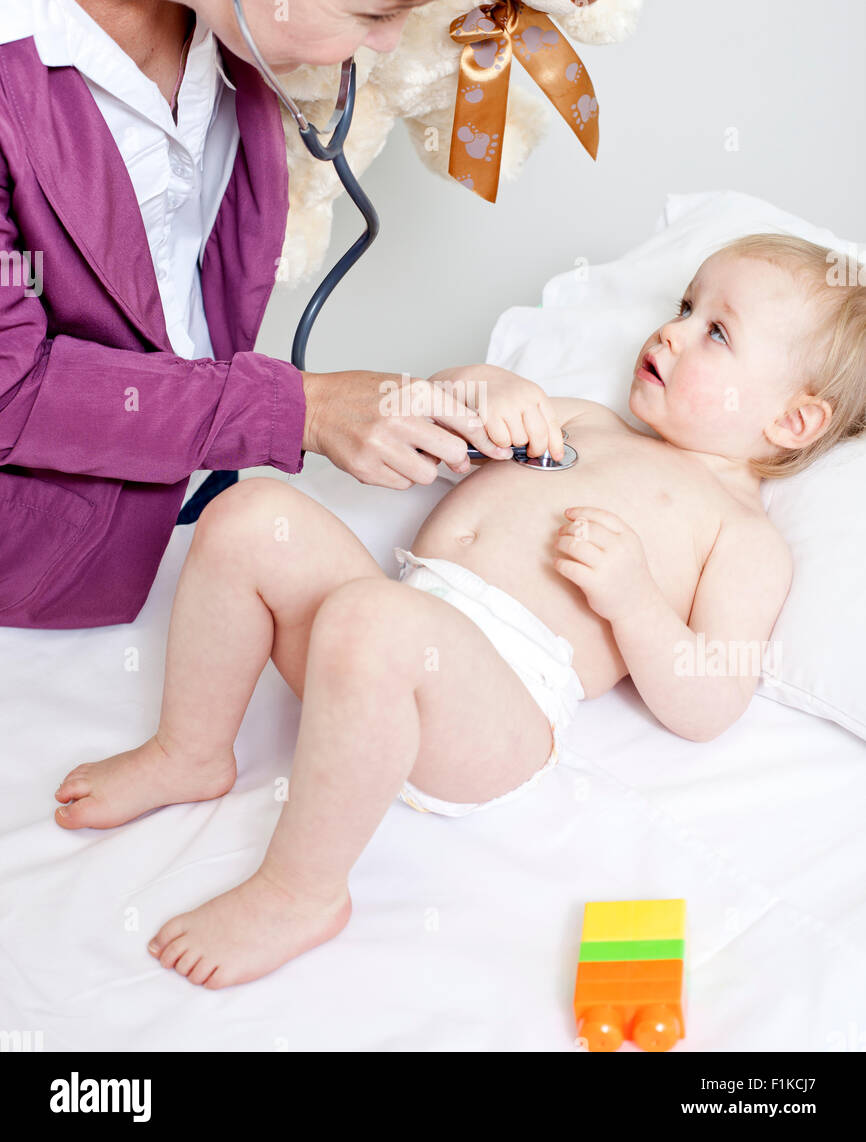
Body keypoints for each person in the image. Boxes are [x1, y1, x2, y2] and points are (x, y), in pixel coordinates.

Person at [54, 234, 866, 988]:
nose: (671, 333)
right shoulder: (585, 420)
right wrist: (490, 391)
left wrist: (633, 600)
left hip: (491, 716)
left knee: (374, 622)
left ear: (791, 420)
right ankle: (189, 751)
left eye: (715, 332)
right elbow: (434, 417)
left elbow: (710, 701)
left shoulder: (742, 535)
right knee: (249, 517)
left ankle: (301, 890)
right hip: (381, 644)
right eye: (684, 307)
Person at [0, 0, 525, 629]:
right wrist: (302, 409)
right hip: (56, 559)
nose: (390, 45)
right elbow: (12, 391)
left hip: (207, 488)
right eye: (372, 15)